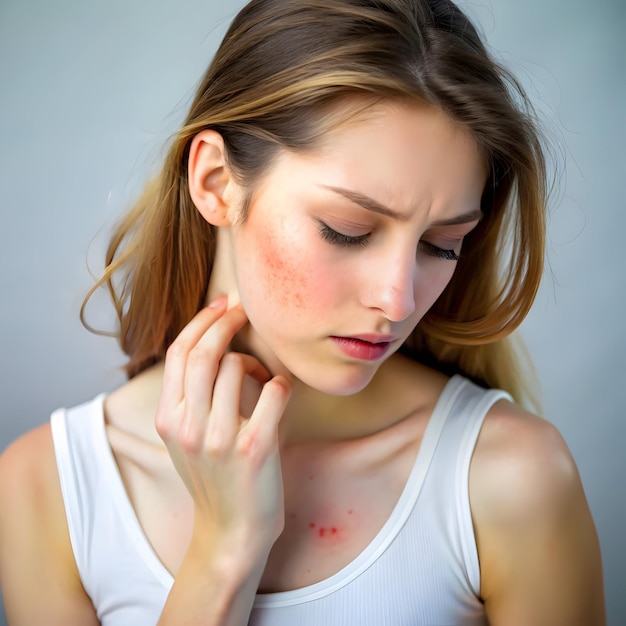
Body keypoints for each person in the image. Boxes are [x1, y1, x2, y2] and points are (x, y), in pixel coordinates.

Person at [0, 0, 605, 624]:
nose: (397, 301)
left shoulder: (510, 478)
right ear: (214, 182)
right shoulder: (50, 488)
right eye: (347, 230)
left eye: (440, 245)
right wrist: (224, 552)